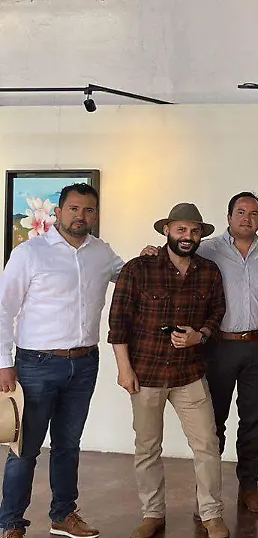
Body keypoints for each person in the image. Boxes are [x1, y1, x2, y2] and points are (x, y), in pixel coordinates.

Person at [0, 184, 123, 538]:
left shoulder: (102, 252)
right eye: (73, 208)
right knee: (25, 448)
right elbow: (4, 309)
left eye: (88, 210)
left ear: (95, 215)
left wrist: (150, 257)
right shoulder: (30, 253)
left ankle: (63, 515)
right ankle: (10, 523)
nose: (80, 216)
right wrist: (4, 363)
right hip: (36, 365)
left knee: (68, 445)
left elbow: (131, 275)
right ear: (58, 212)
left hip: (84, 364)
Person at [107, 203, 228, 538]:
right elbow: (118, 322)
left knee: (207, 444)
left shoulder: (209, 272)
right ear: (167, 231)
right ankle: (152, 514)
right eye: (181, 229)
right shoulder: (138, 269)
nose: (187, 236)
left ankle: (211, 514)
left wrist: (200, 335)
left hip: (190, 374)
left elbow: (217, 313)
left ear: (200, 235)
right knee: (148, 447)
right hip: (146, 374)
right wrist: (124, 369)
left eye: (194, 231)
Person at [195, 192, 258, 514]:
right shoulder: (207, 250)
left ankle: (249, 487)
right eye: (241, 212)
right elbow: (176, 261)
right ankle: (207, 494)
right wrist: (151, 252)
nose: (247, 218)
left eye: (254, 213)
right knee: (213, 422)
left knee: (252, 420)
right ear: (229, 216)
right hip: (219, 346)